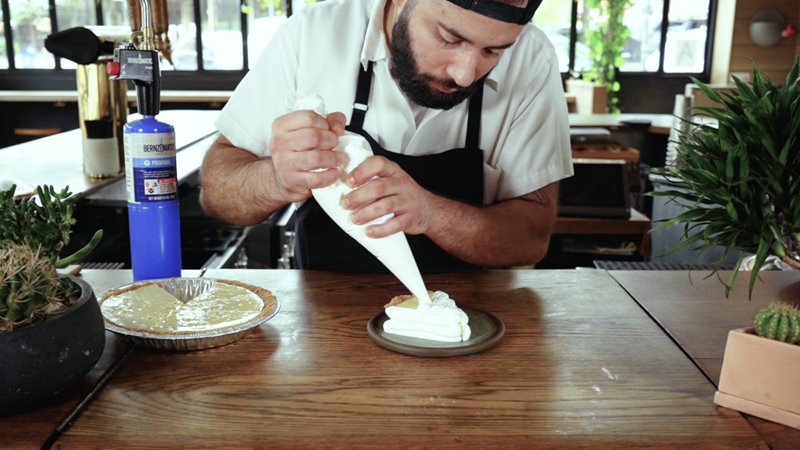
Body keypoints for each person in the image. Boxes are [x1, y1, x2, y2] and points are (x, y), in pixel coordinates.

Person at [200, 0, 572, 272]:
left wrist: (431, 214)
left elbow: (532, 238)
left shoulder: (532, 59)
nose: (464, 74)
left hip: (473, 326)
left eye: (493, 51)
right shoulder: (313, 35)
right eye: (448, 38)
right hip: (326, 329)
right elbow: (217, 193)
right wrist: (278, 179)